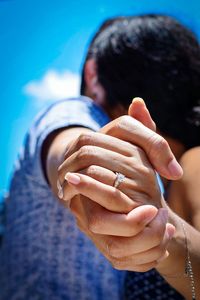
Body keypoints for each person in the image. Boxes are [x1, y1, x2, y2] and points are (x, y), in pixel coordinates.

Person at [0, 15, 200, 300]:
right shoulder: (77, 114)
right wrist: (93, 171)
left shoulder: (189, 166)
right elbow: (71, 140)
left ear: (92, 74)